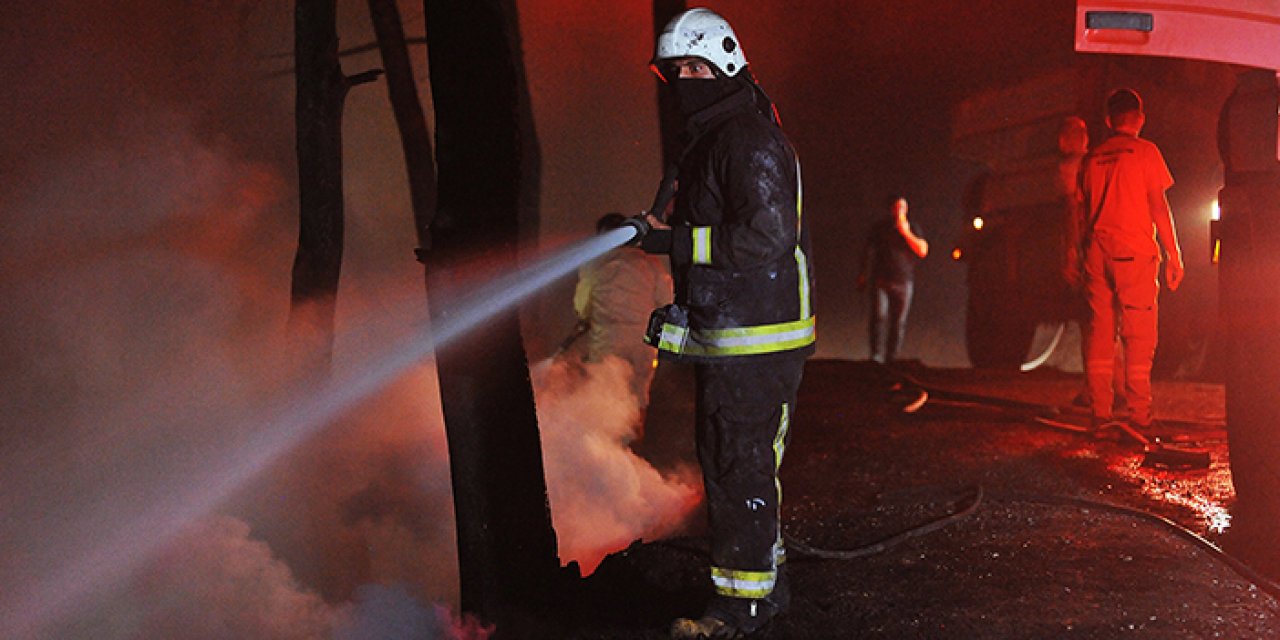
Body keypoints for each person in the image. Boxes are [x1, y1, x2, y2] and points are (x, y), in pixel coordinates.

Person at [638, 8, 815, 638]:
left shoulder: (747, 138)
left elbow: (766, 235)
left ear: (726, 64)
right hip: (731, 334)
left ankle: (738, 610)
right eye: (675, 70)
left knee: (738, 464)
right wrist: (652, 231)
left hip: (759, 338)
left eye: (694, 67)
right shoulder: (713, 138)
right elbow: (692, 222)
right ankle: (766, 590)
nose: (683, 79)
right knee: (729, 460)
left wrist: (677, 245)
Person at [1076, 88, 1184, 432]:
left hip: (1096, 252)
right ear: (1140, 118)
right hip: (1133, 254)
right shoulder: (1146, 152)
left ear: (1108, 120)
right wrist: (1173, 254)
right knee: (1138, 336)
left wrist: (1080, 253)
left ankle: (1100, 414)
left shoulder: (1091, 158)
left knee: (1100, 334)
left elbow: (1079, 212)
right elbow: (1158, 206)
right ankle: (1139, 415)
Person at [572, 212, 673, 409]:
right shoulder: (650, 262)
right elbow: (667, 301)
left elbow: (582, 305)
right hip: (643, 341)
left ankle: (606, 439)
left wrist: (588, 317)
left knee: (605, 399)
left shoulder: (594, 264)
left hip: (607, 340)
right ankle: (635, 436)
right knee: (638, 397)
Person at [857, 195, 928, 364]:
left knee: (898, 322)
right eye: (897, 207)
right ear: (891, 209)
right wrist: (863, 274)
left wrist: (906, 232)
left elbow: (923, 250)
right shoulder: (880, 228)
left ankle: (892, 357)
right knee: (879, 317)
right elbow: (867, 251)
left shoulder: (913, 227)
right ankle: (876, 355)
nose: (900, 211)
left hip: (904, 281)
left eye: (903, 207)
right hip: (881, 279)